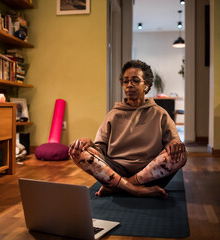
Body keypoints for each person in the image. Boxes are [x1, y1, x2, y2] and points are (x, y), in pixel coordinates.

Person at [69, 60, 187, 198]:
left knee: (181, 155)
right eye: (126, 81)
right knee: (78, 152)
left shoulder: (160, 113)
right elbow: (99, 150)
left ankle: (120, 187)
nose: (129, 85)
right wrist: (88, 143)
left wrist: (173, 143)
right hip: (115, 170)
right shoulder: (113, 114)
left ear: (146, 85)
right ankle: (137, 190)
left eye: (135, 81)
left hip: (149, 173)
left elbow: (175, 143)